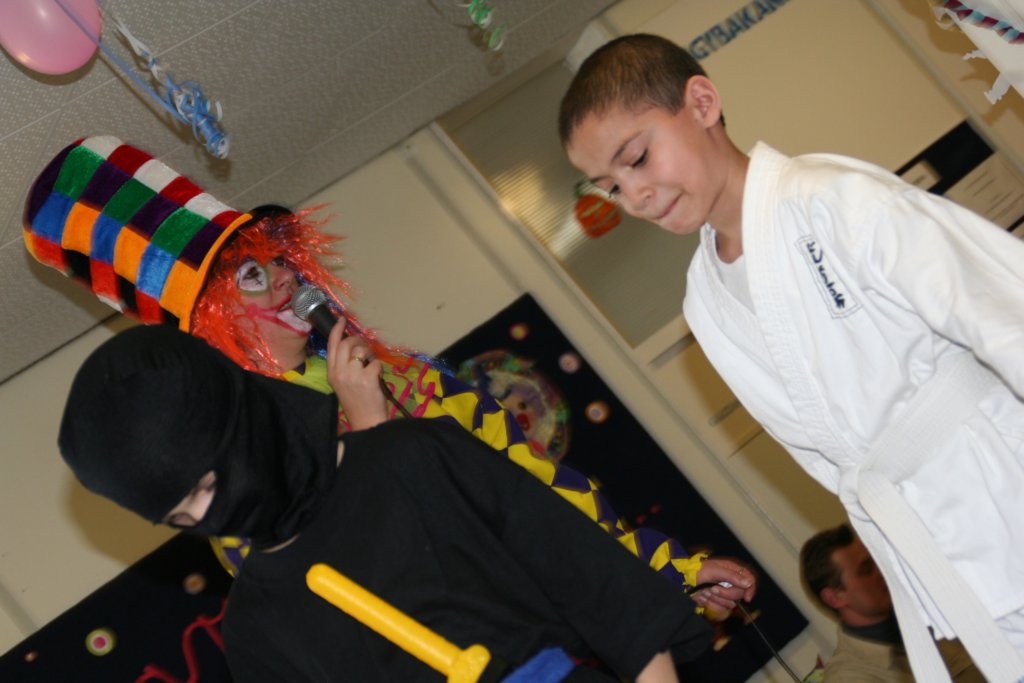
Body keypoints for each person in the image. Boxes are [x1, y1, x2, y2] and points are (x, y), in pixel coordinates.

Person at [23, 135, 755, 614]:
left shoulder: (403, 377)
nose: (283, 277)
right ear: (211, 325)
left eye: (277, 257)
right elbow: (361, 600)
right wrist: (370, 433)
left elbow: (538, 489)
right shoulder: (235, 487)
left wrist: (669, 571)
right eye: (250, 274)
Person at [558, 32, 1024, 682]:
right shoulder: (704, 304)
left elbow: (1006, 313)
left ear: (702, 103)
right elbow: (826, 452)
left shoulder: (832, 199)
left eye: (637, 158)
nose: (633, 195)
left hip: (1003, 482)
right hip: (935, 549)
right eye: (610, 186)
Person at [57, 324, 714, 682]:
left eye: (206, 487)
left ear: (244, 429)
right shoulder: (255, 629)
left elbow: (603, 589)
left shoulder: (413, 458)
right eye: (180, 517)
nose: (209, 519)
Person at [800, 524, 982, 682]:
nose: (881, 571)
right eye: (866, 570)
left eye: (876, 560)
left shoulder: (928, 609)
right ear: (835, 598)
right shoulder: (851, 677)